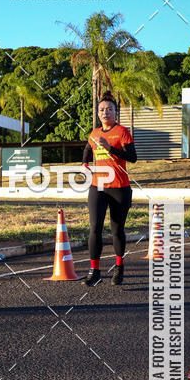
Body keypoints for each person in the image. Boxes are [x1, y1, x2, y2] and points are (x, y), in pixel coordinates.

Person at [81, 92, 137, 287]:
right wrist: (84, 162)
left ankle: (119, 267)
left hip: (120, 187)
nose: (106, 113)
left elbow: (132, 157)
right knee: (95, 228)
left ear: (115, 112)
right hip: (98, 185)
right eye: (102, 110)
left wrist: (110, 148)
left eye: (109, 109)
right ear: (98, 113)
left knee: (116, 229)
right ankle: (94, 271)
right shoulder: (94, 133)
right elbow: (88, 148)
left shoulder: (122, 132)